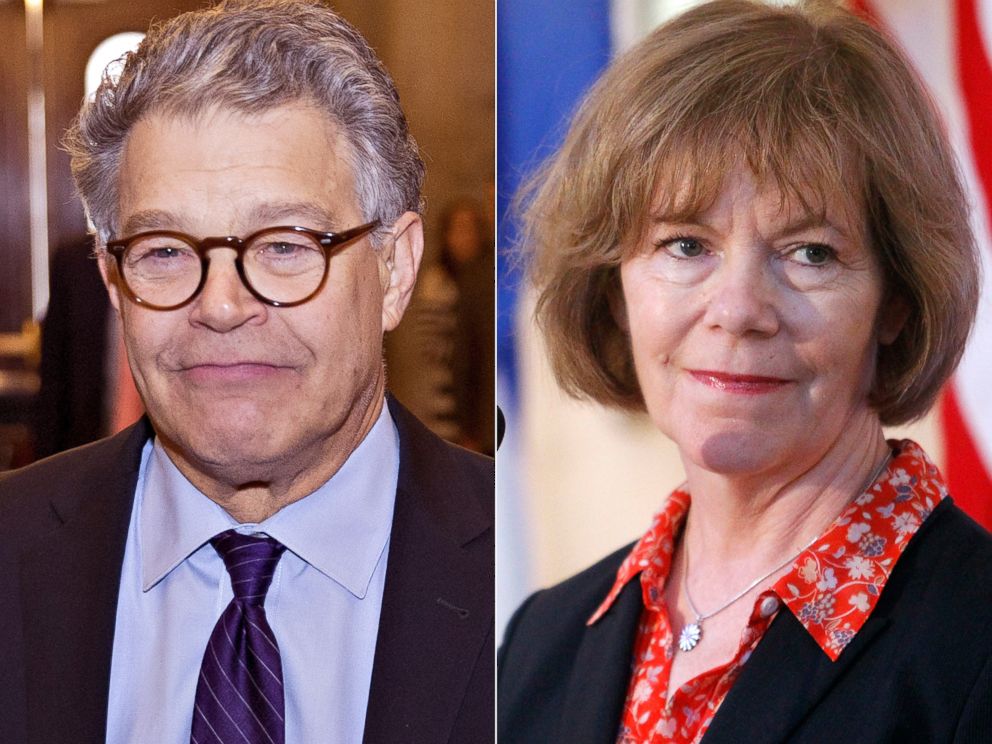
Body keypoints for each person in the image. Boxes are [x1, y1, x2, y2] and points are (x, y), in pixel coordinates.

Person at [498, 1, 991, 742]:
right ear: (614, 284)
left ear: (895, 299)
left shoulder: (977, 645)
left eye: (810, 252)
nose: (737, 309)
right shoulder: (542, 641)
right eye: (686, 244)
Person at [0, 2, 493, 743]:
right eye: (165, 251)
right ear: (113, 284)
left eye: (286, 246)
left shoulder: (542, 575)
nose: (222, 306)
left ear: (394, 270)